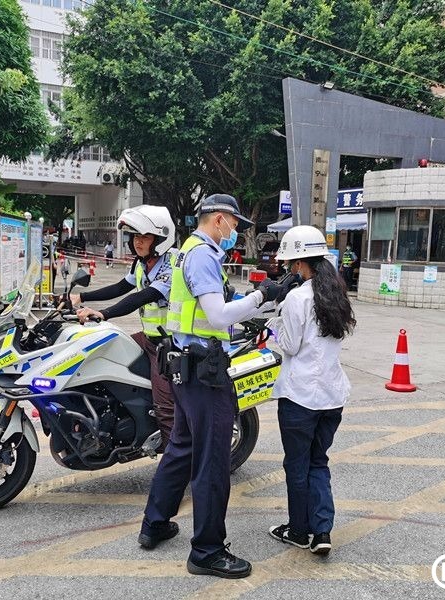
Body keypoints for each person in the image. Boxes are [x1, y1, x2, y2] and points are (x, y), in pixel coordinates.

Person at [137, 193, 286, 579]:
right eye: (235, 224)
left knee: (181, 449)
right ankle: (207, 550)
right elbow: (218, 317)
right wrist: (260, 296)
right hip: (204, 374)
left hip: (185, 369)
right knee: (212, 460)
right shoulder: (204, 256)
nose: (236, 231)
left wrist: (260, 303)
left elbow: (210, 308)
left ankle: (155, 523)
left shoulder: (187, 251)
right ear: (219, 219)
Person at [266, 225, 356, 556]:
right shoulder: (337, 293)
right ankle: (322, 531)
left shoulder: (297, 298)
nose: (290, 269)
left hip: (299, 397)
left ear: (301, 264)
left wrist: (272, 326)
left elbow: (289, 346)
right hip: (332, 397)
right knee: (318, 462)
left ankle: (299, 530)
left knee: (297, 465)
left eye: (291, 264)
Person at [68, 205, 177, 447]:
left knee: (165, 405)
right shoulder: (141, 264)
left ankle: (176, 460)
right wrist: (81, 298)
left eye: (145, 236)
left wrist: (104, 313)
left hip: (170, 346)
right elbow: (120, 288)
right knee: (102, 351)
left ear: (160, 239)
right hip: (150, 339)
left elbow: (142, 296)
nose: (138, 242)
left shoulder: (172, 264)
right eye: (135, 236)